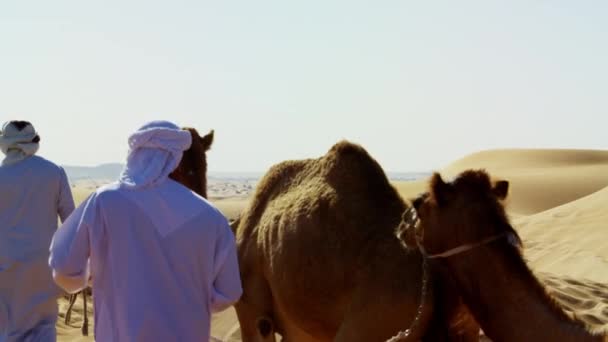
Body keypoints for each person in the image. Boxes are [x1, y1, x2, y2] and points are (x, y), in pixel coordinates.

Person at [49, 120, 242, 341]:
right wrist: (189, 297)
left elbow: (64, 268)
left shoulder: (104, 202)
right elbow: (229, 292)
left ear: (134, 155)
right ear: (177, 160)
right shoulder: (210, 216)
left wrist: (92, 277)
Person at [0, 120, 75, 342]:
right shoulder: (54, 172)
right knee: (44, 328)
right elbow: (72, 222)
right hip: (44, 266)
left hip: (5, 268)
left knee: (8, 331)